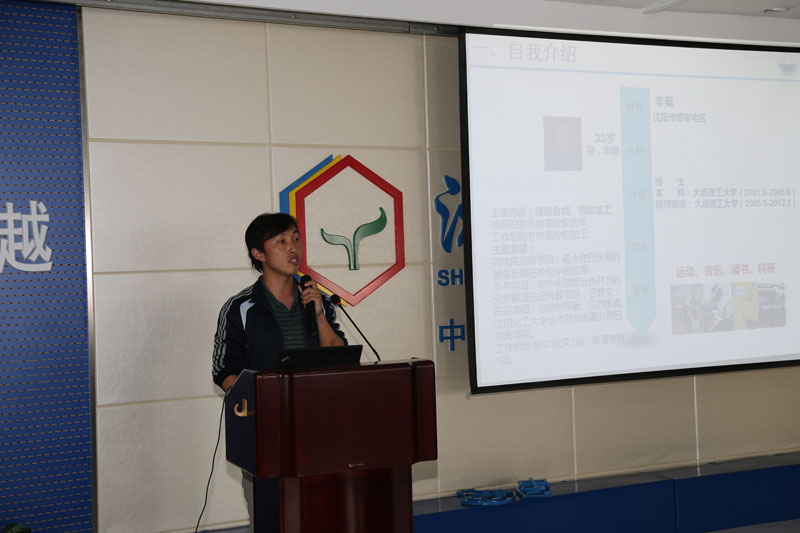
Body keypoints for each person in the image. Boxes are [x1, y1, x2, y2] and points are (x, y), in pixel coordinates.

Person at [211, 212, 346, 532]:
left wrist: (319, 315)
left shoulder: (318, 301)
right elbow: (223, 369)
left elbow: (341, 358)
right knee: (271, 520)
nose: (293, 247)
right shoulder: (240, 307)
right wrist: (258, 402)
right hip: (265, 434)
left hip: (318, 429)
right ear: (258, 253)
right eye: (281, 241)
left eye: (296, 238)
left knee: (322, 517)